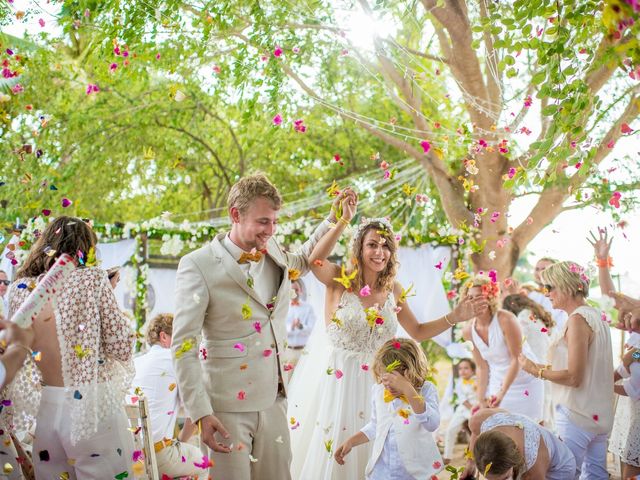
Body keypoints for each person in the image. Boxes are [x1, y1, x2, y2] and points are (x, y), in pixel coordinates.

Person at [171, 174, 354, 480]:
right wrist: (200, 412)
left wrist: (333, 219)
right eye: (262, 222)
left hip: (275, 399)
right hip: (225, 407)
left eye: (274, 223)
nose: (270, 231)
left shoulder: (272, 249)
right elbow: (184, 345)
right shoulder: (197, 265)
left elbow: (305, 260)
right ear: (235, 215)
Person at [289, 216, 487, 479]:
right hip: (340, 382)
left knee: (381, 447)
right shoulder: (339, 279)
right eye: (372, 245)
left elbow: (417, 331)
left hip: (382, 381)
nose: (379, 252)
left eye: (385, 246)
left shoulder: (393, 290)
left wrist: (456, 316)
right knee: (337, 448)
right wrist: (342, 221)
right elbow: (314, 260)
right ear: (359, 248)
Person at [5, 215, 135, 478]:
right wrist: (105, 296)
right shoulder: (93, 280)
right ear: (84, 247)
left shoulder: (20, 289)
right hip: (92, 408)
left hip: (48, 410)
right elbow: (122, 347)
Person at [519, 261, 614, 479]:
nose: (546, 293)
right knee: (596, 474)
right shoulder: (597, 315)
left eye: (549, 287)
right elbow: (586, 366)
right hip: (599, 413)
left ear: (567, 286)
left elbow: (574, 377)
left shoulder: (578, 319)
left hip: (577, 414)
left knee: (564, 473)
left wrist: (536, 371)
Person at [334, 338, 443, 479]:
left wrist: (408, 390)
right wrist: (351, 441)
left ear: (410, 373)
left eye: (394, 381)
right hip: (382, 471)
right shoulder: (378, 391)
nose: (388, 386)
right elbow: (376, 426)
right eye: (384, 379)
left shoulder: (426, 389)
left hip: (414, 473)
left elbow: (432, 424)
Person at [588, 228, 640, 479]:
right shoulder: (638, 306)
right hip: (634, 397)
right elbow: (612, 299)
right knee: (628, 457)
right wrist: (602, 262)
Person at [462, 275, 544, 421]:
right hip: (497, 383)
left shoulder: (506, 319)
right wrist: (481, 401)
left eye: (479, 296)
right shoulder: (468, 330)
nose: (473, 302)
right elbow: (482, 367)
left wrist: (502, 392)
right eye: (470, 297)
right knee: (499, 430)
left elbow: (516, 359)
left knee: (529, 430)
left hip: (525, 382)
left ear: (489, 297)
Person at [132, 313, 202, 479]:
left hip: (133, 458)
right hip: (158, 457)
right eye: (178, 337)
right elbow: (195, 412)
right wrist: (181, 443)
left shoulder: (136, 362)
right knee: (207, 462)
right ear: (164, 336)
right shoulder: (174, 360)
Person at [461, 408, 576, 479]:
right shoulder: (479, 421)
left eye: (504, 479)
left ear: (513, 463)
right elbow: (475, 434)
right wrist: (470, 464)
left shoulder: (533, 467)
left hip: (560, 468)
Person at [502, 293, 556, 427]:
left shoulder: (522, 318)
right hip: (547, 366)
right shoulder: (539, 317)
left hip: (533, 368)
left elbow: (516, 342)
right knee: (546, 409)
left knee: (537, 415)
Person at [443, 358, 476, 464]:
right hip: (464, 409)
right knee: (450, 430)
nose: (462, 371)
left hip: (476, 409)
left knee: (477, 431)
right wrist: (471, 408)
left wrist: (475, 410)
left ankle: (475, 454)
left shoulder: (478, 380)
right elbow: (463, 400)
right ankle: (447, 456)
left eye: (466, 368)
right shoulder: (459, 383)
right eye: (460, 368)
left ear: (472, 370)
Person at [284, 279, 317, 377]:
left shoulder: (308, 308)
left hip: (303, 352)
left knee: (301, 379)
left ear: (301, 290)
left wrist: (300, 326)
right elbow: (281, 330)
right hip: (288, 351)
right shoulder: (284, 307)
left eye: (297, 290)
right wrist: (292, 327)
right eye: (292, 290)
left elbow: (312, 329)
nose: (295, 293)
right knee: (287, 380)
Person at [528, 258, 568, 336]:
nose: (539, 273)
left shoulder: (561, 298)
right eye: (537, 269)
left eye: (544, 269)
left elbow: (560, 329)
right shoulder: (531, 295)